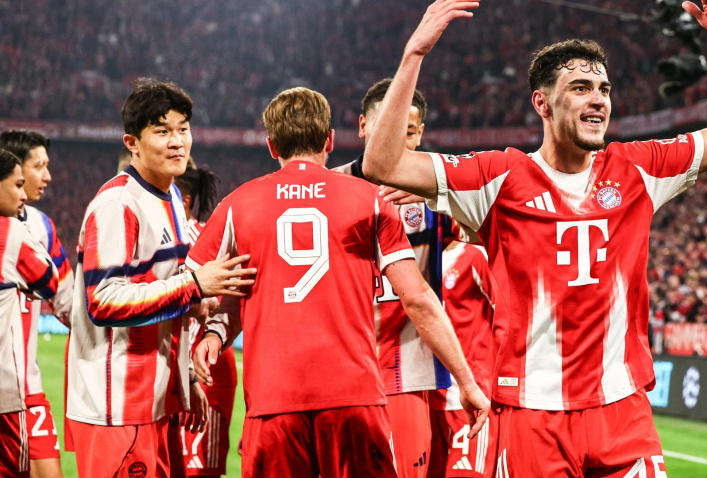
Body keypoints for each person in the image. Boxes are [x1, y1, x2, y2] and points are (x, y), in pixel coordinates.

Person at [361, 0, 707, 475]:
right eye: (580, 88)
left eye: (603, 89)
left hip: (623, 411)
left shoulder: (638, 168)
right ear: (543, 103)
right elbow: (382, 164)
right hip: (533, 414)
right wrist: (414, 55)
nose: (598, 99)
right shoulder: (497, 178)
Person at [188, 86, 489, 477]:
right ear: (331, 139)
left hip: (273, 398)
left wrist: (211, 335)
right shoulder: (368, 199)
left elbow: (195, 285)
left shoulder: (239, 203)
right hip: (355, 393)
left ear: (270, 145)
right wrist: (466, 380)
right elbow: (417, 297)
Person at [65, 79, 257, 477]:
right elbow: (103, 300)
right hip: (116, 406)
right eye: (162, 131)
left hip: (155, 401)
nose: (177, 142)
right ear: (132, 142)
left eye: (183, 129)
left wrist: (186, 382)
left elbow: (168, 298)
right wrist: (194, 285)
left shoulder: (168, 195)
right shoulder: (118, 205)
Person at [336, 78, 452, 477]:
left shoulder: (443, 191)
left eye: (407, 127)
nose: (396, 135)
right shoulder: (330, 188)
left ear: (419, 134)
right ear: (364, 126)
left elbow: (496, 227)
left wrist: (441, 197)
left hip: (410, 372)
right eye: (386, 123)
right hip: (339, 371)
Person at [0, 130, 74, 478]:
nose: (47, 176)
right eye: (39, 166)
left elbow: (66, 300)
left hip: (28, 388)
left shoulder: (43, 226)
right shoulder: (11, 232)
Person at [171, 160, 237, 478]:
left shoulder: (196, 239)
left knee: (194, 468)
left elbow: (213, 306)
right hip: (195, 366)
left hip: (204, 366)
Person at [428, 239, 497, 478]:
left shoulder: (474, 256)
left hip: (469, 399)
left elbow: (508, 315)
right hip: (426, 400)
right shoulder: (412, 260)